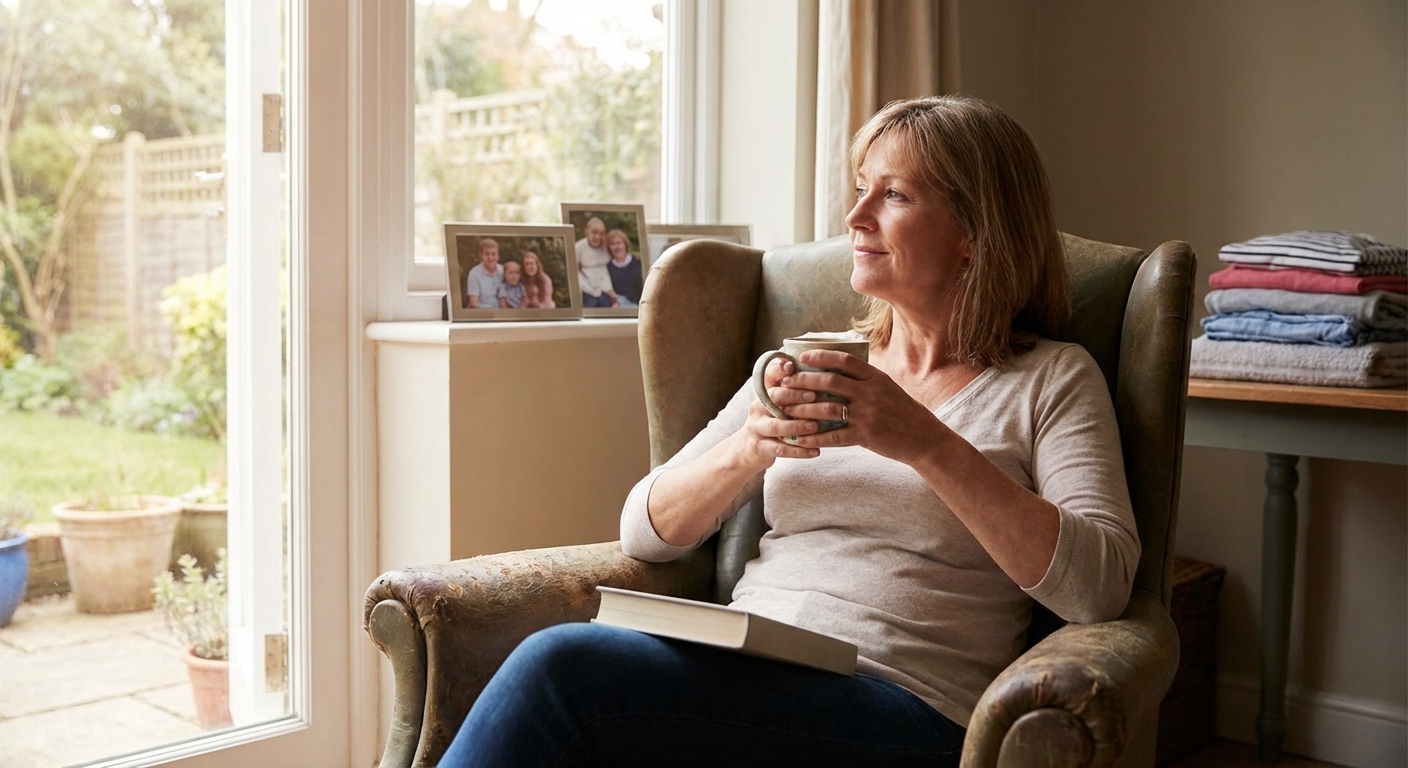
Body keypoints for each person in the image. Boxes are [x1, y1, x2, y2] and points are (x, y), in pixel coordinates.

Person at [440, 95, 1138, 768]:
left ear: (974, 234)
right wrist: (749, 447)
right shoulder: (813, 357)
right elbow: (642, 530)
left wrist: (925, 442)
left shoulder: (1052, 379)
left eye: (894, 196)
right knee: (570, 674)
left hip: (907, 707)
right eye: (861, 188)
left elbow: (1097, 587)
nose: (856, 216)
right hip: (748, 673)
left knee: (560, 669)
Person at [576, 216, 619, 308]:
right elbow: (574, 273)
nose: (598, 237)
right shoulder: (578, 247)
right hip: (588, 288)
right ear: (587, 231)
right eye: (594, 233)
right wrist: (593, 290)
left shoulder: (606, 246)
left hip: (608, 287)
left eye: (601, 233)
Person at [605, 228, 644, 308]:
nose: (616, 247)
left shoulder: (639, 264)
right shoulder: (608, 268)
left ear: (625, 245)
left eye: (618, 243)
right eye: (612, 244)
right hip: (618, 306)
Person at [463, 237, 504, 310]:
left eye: (493, 254)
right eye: (487, 254)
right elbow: (473, 303)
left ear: (498, 256)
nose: (490, 257)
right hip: (483, 314)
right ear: (481, 255)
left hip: (502, 313)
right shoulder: (474, 274)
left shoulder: (503, 271)